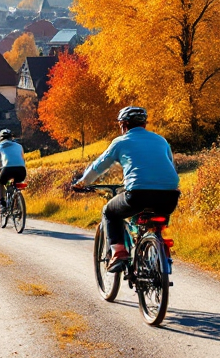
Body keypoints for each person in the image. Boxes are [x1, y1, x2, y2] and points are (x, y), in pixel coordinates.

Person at [71, 106, 180, 272]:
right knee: (153, 221)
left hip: (138, 194)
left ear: (124, 124)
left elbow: (99, 166)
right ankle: (157, 246)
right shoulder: (161, 140)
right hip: (170, 196)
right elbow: (169, 165)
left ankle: (119, 252)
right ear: (144, 124)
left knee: (109, 212)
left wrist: (83, 182)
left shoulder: (121, 142)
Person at [0, 129, 26, 213]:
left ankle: (2, 203)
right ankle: (16, 204)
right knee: (15, 184)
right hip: (21, 170)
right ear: (11, 137)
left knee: (0, 182)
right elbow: (22, 158)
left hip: (7, 168)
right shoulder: (19, 146)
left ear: (0, 138)